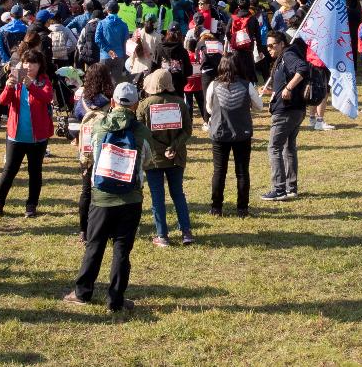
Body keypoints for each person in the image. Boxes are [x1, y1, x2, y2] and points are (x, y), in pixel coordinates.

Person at [63, 81, 150, 313]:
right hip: (131, 198)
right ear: (135, 105)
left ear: (112, 102)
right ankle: (116, 300)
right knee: (122, 250)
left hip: (101, 197)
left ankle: (82, 292)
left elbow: (90, 151)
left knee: (95, 245)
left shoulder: (101, 127)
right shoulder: (141, 131)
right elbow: (147, 160)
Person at [0, 49, 54, 218]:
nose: (29, 66)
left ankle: (31, 205)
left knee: (35, 171)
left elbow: (47, 98)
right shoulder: (15, 77)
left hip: (37, 137)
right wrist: (9, 87)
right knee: (9, 170)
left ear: (40, 66)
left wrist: (30, 85)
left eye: (33, 63)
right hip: (16, 134)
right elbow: (2, 101)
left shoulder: (43, 80)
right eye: (26, 62)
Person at [137, 68, 194, 247]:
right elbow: (187, 131)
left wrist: (160, 148)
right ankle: (186, 232)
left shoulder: (144, 105)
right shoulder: (180, 103)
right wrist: (174, 146)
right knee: (178, 194)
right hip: (176, 156)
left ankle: (162, 235)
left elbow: (141, 133)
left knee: (157, 197)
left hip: (154, 158)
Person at [206, 54, 262, 216]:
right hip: (242, 133)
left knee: (219, 171)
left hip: (220, 132)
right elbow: (258, 106)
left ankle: (216, 207)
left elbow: (209, 109)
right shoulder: (247, 85)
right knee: (242, 171)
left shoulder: (213, 85)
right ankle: (242, 209)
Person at [260, 31, 309, 202]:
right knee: (288, 147)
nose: (269, 49)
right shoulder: (283, 58)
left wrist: (288, 88)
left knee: (274, 147)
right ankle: (291, 188)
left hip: (287, 111)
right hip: (293, 109)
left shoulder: (288, 55)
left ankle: (279, 188)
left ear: (282, 44)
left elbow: (303, 68)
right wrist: (272, 92)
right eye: (267, 46)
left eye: (272, 45)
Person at [73, 63, 114, 242]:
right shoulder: (110, 98)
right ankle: (106, 226)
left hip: (86, 150)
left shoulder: (82, 99)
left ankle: (84, 229)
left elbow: (74, 121)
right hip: (105, 148)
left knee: (86, 190)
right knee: (105, 189)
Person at [95, 1, 131, 84]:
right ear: (118, 10)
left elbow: (97, 39)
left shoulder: (101, 23)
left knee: (103, 82)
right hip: (119, 56)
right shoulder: (123, 24)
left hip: (105, 56)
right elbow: (126, 42)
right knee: (116, 82)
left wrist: (108, 50)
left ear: (107, 10)